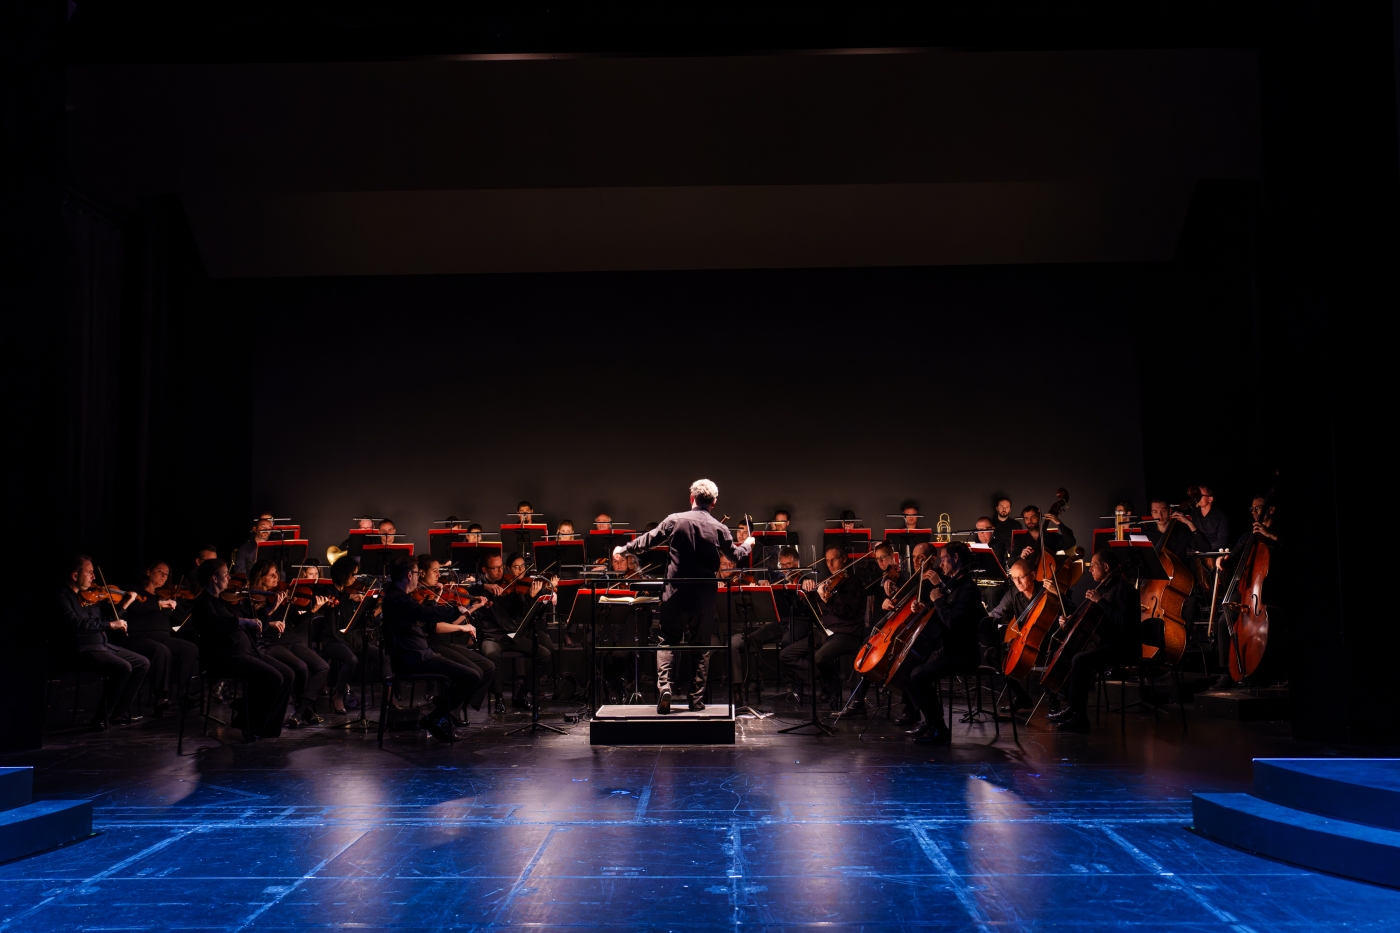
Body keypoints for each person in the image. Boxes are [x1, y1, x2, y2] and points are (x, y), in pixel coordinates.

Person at [615, 479, 755, 714]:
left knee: (667, 641)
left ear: (691, 498)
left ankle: (665, 689)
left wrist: (624, 549)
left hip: (675, 594)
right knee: (700, 647)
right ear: (714, 502)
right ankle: (696, 700)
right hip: (703, 596)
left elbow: (648, 541)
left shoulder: (675, 520)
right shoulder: (719, 528)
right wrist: (749, 544)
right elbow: (736, 554)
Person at [379, 554, 484, 742]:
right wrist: (453, 610)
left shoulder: (398, 597)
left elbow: (423, 614)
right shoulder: (397, 600)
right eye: (417, 573)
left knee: (472, 674)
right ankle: (435, 717)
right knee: (472, 676)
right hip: (414, 659)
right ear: (408, 575)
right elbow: (425, 613)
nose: (419, 576)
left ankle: (436, 716)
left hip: (421, 655)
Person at [190, 559, 295, 738]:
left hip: (245, 652)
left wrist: (265, 612)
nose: (229, 577)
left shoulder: (222, 601)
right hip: (224, 657)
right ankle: (249, 722)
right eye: (225, 574)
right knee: (273, 677)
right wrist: (243, 621)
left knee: (288, 674)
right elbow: (217, 624)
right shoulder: (203, 603)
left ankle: (267, 726)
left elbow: (246, 620)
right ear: (214, 578)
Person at [898, 541, 987, 744]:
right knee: (907, 668)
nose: (942, 564)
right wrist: (924, 609)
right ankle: (930, 721)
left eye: (945, 559)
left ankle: (939, 729)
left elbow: (954, 622)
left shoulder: (968, 590)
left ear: (956, 558)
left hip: (964, 654)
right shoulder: (954, 585)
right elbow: (943, 618)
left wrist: (938, 599)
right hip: (950, 650)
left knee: (919, 676)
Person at [1048, 548, 1141, 733]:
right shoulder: (1106, 589)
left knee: (1080, 660)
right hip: (1108, 645)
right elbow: (1094, 621)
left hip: (1124, 649)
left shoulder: (1124, 590)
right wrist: (1070, 621)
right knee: (1072, 654)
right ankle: (1071, 708)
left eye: (1093, 566)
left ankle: (1078, 716)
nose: (1090, 570)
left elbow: (1122, 622)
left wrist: (1100, 601)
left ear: (1106, 567)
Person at [57, 556, 150, 730]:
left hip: (104, 646)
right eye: (90, 572)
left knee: (142, 663)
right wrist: (110, 625)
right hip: (82, 649)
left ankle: (120, 714)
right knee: (123, 667)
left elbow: (104, 620)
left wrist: (124, 605)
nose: (94, 577)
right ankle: (100, 718)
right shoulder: (63, 597)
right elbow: (77, 624)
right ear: (75, 576)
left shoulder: (91, 596)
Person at [243, 561, 329, 727]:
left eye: (277, 573)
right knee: (301, 667)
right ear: (260, 578)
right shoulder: (253, 599)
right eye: (271, 575)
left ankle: (301, 710)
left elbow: (295, 621)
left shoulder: (282, 594)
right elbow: (256, 625)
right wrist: (272, 615)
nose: (277, 578)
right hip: (269, 643)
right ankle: (302, 712)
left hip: (289, 639)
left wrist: (312, 611)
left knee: (322, 667)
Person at [779, 547, 865, 709]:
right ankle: (827, 680)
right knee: (787, 654)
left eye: (834, 560)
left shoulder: (853, 582)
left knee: (819, 657)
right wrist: (806, 591)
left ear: (843, 559)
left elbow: (847, 612)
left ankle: (833, 690)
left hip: (847, 634)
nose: (830, 564)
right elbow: (812, 608)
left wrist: (827, 600)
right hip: (826, 632)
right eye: (827, 560)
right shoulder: (829, 581)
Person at [415, 555, 496, 721]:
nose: (439, 575)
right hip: (431, 646)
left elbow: (451, 621)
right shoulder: (419, 597)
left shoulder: (435, 593)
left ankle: (450, 704)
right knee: (474, 673)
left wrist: (473, 607)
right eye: (435, 571)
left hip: (445, 642)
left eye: (440, 571)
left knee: (488, 667)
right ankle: (449, 713)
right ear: (421, 573)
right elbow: (435, 627)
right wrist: (462, 626)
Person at [119, 560, 200, 716]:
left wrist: (196, 604)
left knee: (190, 649)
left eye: (167, 574)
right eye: (160, 571)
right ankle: (161, 697)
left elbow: (183, 618)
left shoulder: (163, 595)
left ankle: (184, 693)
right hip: (138, 638)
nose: (164, 575)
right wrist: (159, 604)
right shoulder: (136, 592)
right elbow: (134, 607)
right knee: (160, 650)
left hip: (164, 638)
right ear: (148, 572)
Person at [729, 546, 803, 704]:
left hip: (797, 622)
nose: (784, 569)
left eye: (788, 565)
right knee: (754, 638)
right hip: (781, 621)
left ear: (796, 563)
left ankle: (791, 683)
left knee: (786, 642)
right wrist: (765, 586)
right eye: (782, 565)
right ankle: (756, 681)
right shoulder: (778, 579)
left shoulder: (803, 579)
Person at [981, 559, 1040, 715]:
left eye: (1021, 577)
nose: (1017, 582)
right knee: (992, 655)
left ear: (1033, 575)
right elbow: (999, 612)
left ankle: (1054, 701)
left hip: (1046, 642)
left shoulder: (1046, 591)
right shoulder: (1013, 593)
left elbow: (1068, 608)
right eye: (1013, 578)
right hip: (1024, 642)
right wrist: (987, 618)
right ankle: (1022, 697)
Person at [1016, 504, 1076, 569]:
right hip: (1028, 576)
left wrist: (1059, 523)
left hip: (1049, 575)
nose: (1029, 521)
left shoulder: (1051, 537)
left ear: (1039, 517)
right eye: (1026, 518)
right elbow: (1010, 562)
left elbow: (1070, 542)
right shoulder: (1020, 540)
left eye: (1033, 517)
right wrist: (1020, 556)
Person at [990, 497, 1022, 567]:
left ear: (1010, 509)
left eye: (1007, 507)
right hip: (994, 559)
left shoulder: (1016, 525)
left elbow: (1020, 544)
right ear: (997, 508)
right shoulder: (990, 524)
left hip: (1012, 560)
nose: (1004, 509)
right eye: (1001, 506)